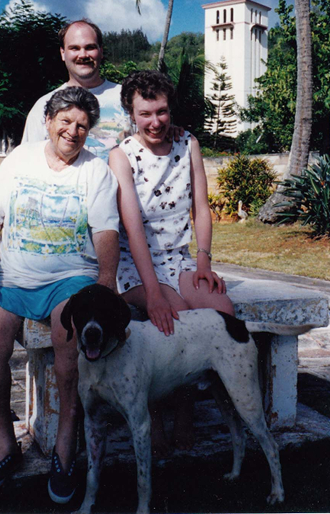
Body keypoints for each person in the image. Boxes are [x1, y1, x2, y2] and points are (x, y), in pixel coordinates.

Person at [0, 87, 119, 504]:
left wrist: (106, 278)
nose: (73, 131)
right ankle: (4, 444)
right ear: (48, 122)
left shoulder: (96, 171)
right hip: (12, 279)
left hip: (71, 279)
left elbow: (106, 231)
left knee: (69, 346)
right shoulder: (20, 160)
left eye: (82, 125)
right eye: (65, 122)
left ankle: (66, 447)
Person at [108, 70, 234, 452]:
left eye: (161, 111)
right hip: (135, 265)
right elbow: (132, 229)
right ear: (132, 114)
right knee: (173, 318)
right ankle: (168, 413)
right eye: (145, 113)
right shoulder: (122, 155)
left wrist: (204, 263)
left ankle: (212, 403)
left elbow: (201, 207)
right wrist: (153, 293)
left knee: (222, 310)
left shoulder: (188, 143)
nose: (156, 122)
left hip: (178, 259)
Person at [22, 19, 130, 160]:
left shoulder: (128, 97)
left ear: (101, 51)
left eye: (90, 47)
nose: (83, 55)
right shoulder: (44, 105)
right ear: (63, 53)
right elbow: (28, 160)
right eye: (74, 48)